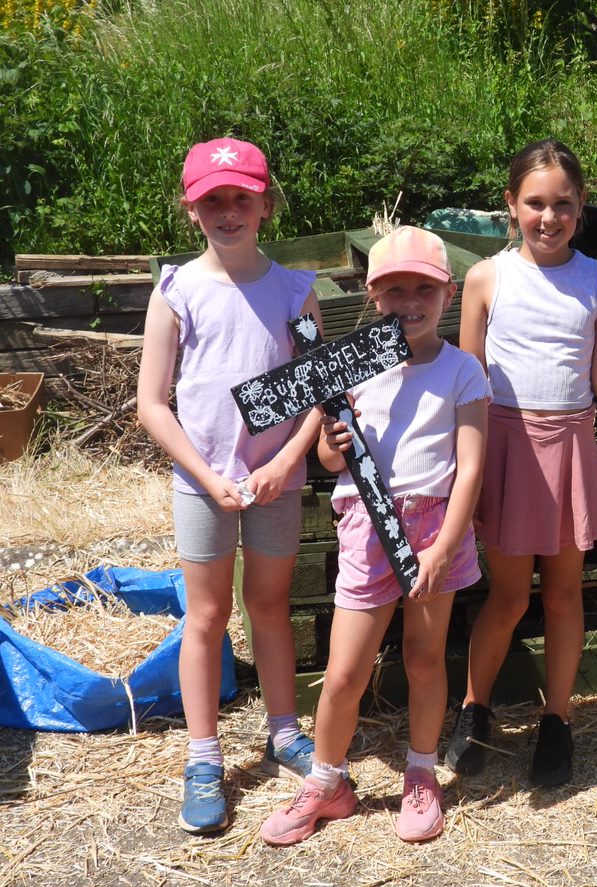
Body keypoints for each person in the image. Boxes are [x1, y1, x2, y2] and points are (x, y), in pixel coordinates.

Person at [450, 138, 597, 786]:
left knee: (563, 591)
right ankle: (475, 707)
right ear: (510, 205)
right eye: (535, 203)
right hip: (505, 446)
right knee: (504, 593)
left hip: (569, 445)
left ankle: (558, 719)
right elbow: (469, 379)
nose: (548, 217)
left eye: (563, 204)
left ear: (580, 208)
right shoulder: (487, 278)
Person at [261, 226, 490, 845]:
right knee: (343, 672)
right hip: (366, 526)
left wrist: (444, 546)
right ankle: (327, 781)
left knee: (423, 656)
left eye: (424, 288)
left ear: (447, 294)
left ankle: (421, 772)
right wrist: (334, 449)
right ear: (372, 294)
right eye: (394, 290)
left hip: (435, 525)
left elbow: (470, 466)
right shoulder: (351, 367)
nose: (408, 302)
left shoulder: (462, 371)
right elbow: (336, 461)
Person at [137, 138, 324, 833]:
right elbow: (152, 401)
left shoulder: (296, 290)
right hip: (201, 482)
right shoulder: (176, 291)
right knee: (207, 616)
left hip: (277, 482)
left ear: (265, 205)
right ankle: (204, 754)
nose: (227, 210)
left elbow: (318, 391)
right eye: (212, 200)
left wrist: (283, 463)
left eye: (240, 198)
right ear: (192, 211)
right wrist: (206, 474)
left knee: (269, 606)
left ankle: (283, 730)